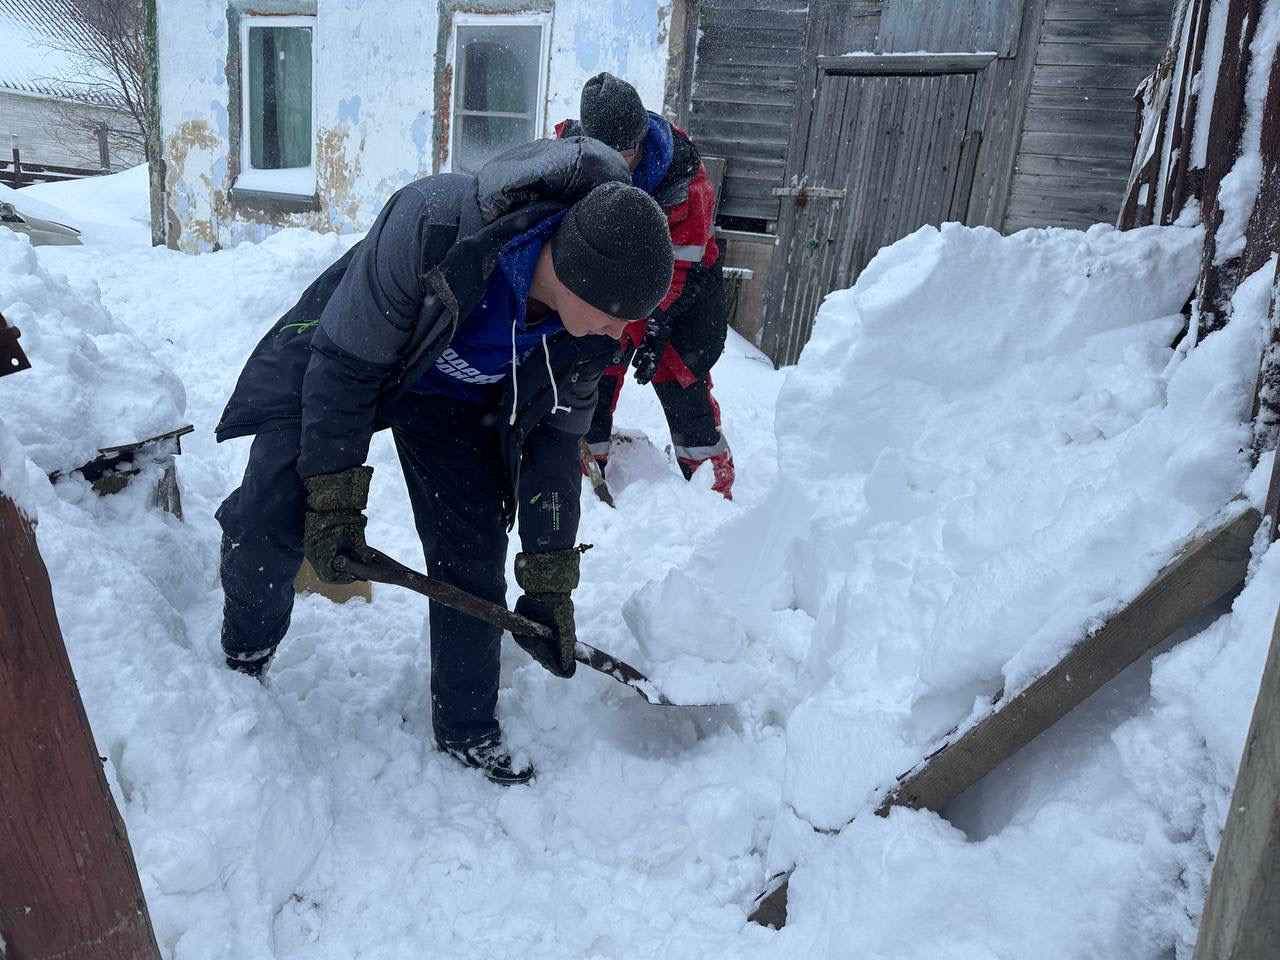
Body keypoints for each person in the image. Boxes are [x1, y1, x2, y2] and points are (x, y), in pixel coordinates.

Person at [212, 138, 674, 785]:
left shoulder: (583, 340)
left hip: (457, 404)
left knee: (472, 557)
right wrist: (337, 504)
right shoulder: (434, 225)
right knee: (276, 516)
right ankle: (245, 649)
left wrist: (547, 581)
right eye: (618, 316)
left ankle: (466, 727)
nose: (619, 334)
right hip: (349, 359)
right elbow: (343, 370)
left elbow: (549, 449)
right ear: (581, 276)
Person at [556, 72, 735, 499]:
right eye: (607, 151)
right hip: (606, 290)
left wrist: (655, 324)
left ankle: (711, 492)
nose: (620, 161)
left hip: (679, 296)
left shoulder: (683, 179)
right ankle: (587, 478)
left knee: (681, 378)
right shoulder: (568, 159)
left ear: (640, 139)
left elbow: (683, 266)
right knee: (594, 375)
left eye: (627, 151)